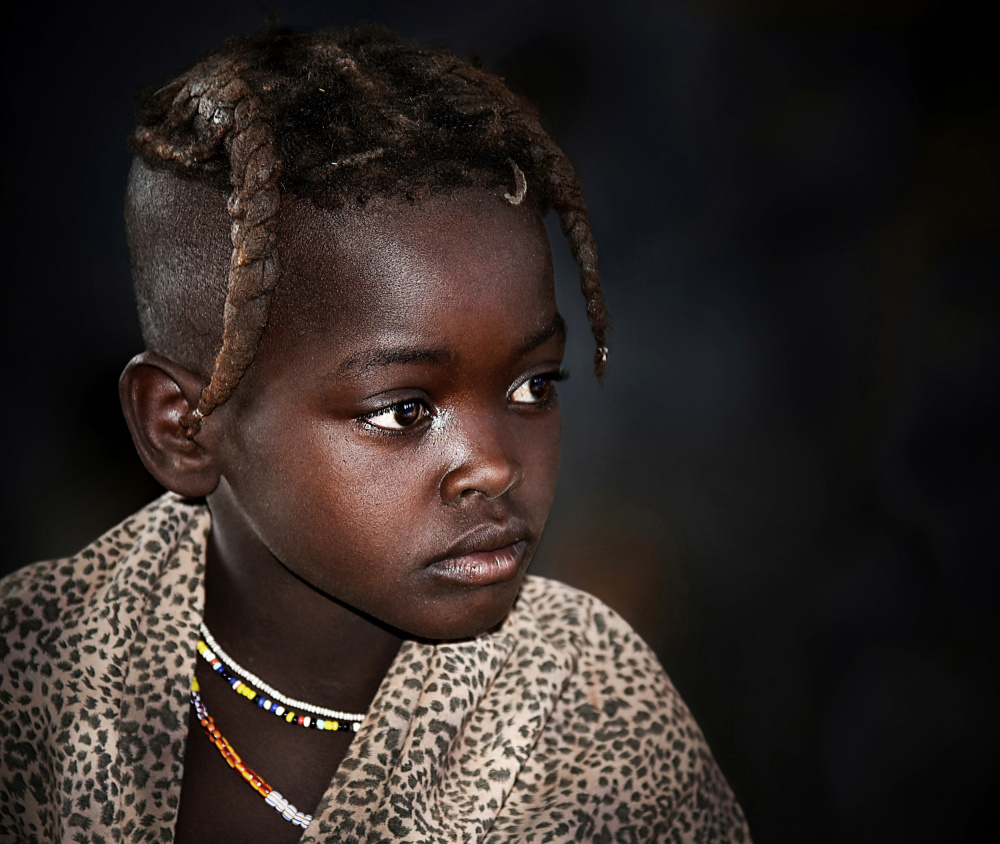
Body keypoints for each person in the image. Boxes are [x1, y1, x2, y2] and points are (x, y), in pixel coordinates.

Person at [0, 24, 750, 843]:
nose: (493, 467)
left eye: (533, 386)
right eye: (403, 411)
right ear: (182, 428)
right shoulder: (38, 692)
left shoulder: (599, 715)